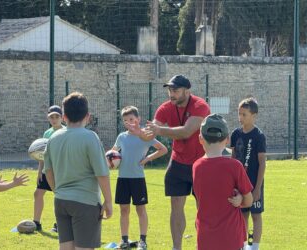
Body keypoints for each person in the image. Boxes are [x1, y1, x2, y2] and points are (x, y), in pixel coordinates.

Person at [130, 75, 210, 250]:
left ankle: (203, 246)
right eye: (169, 90)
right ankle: (176, 247)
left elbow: (186, 131)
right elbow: (150, 134)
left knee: (203, 209)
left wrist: (159, 130)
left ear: (187, 91)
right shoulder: (165, 108)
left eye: (175, 90)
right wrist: (139, 132)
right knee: (176, 208)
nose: (171, 94)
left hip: (201, 164)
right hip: (178, 163)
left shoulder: (200, 106)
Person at [43, 92, 112, 250]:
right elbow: (102, 173)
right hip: (85, 202)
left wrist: (58, 191)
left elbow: (48, 171)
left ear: (64, 116)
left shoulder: (53, 138)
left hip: (61, 201)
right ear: (88, 116)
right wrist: (108, 201)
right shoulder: (90, 137)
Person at [193, 113, 253, 250]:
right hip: (231, 236)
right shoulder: (235, 166)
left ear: (200, 139)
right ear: (227, 139)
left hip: (205, 236)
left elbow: (201, 201)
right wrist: (241, 199)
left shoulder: (196, 166)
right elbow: (249, 201)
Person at [112, 106, 167, 250]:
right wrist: (110, 159)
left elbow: (163, 149)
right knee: (124, 210)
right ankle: (124, 240)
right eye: (125, 120)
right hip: (122, 178)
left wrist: (147, 158)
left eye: (131, 119)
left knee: (140, 210)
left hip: (138, 179)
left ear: (138, 119)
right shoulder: (121, 137)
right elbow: (113, 152)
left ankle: (142, 241)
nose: (128, 122)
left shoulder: (146, 135)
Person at [230, 98, 266, 250]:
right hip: (239, 184)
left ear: (254, 115)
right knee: (242, 215)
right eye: (239, 114)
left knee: (256, 215)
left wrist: (257, 188)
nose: (240, 117)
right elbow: (232, 159)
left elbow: (262, 163)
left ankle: (255, 246)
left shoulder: (259, 135)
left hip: (254, 182)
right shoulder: (235, 134)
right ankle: (244, 245)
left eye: (244, 114)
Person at [33, 105, 65, 232]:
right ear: (48, 118)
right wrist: (40, 170)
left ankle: (59, 224)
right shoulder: (47, 133)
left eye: (57, 116)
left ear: (62, 117)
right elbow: (42, 153)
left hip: (59, 170)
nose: (54, 119)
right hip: (47, 170)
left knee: (60, 196)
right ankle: (36, 222)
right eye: (52, 117)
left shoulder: (66, 132)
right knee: (38, 193)